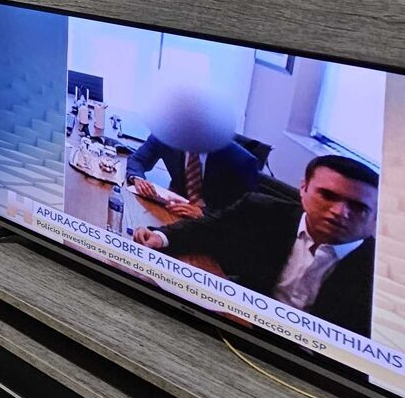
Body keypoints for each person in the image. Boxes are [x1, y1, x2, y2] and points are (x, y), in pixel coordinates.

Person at [134, 155, 379, 335]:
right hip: (239, 328)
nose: (340, 212)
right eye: (328, 195)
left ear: (376, 217)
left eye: (358, 207)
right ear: (303, 189)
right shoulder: (262, 210)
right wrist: (161, 237)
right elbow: (209, 228)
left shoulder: (381, 278)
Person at [124, 134, 265, 218]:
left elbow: (243, 214)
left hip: (211, 228)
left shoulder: (241, 160)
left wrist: (204, 214)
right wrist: (138, 179)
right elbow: (137, 160)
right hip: (174, 211)